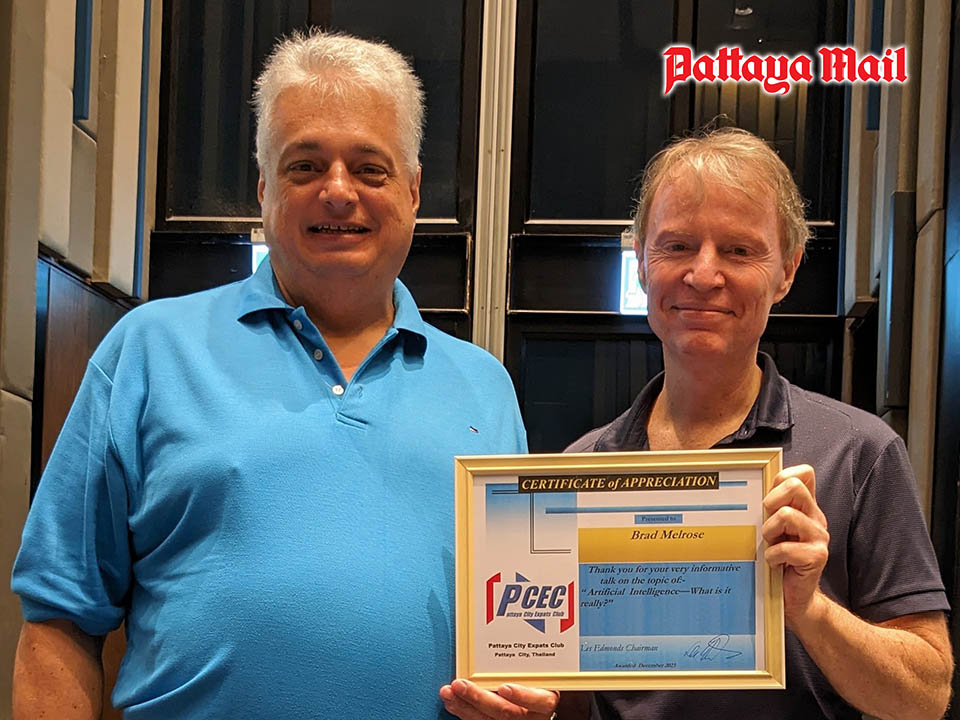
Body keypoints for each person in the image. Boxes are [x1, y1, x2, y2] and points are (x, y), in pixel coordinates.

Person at [12, 31, 528, 719]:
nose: (337, 192)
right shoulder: (148, 352)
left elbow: (521, 633)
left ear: (412, 190)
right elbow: (60, 619)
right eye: (305, 166)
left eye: (369, 169)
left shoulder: (485, 389)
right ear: (264, 188)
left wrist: (527, 698)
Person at [442, 127, 953, 720]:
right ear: (641, 263)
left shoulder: (859, 454)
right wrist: (538, 707)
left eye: (739, 250)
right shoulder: (581, 471)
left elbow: (925, 696)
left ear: (786, 271)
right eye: (678, 245)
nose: (704, 275)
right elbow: (575, 694)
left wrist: (810, 610)